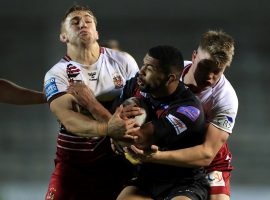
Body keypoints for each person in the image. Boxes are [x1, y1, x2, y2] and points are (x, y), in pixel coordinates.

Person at [70, 45, 210, 200]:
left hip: (184, 182)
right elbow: (114, 123)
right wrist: (115, 134)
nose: (141, 71)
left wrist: (91, 104)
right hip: (147, 177)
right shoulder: (135, 86)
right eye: (143, 64)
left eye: (150, 68)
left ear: (169, 78)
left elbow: (136, 139)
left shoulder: (188, 109)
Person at [128, 30, 238, 200]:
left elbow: (207, 153)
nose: (209, 76)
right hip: (163, 149)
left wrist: (154, 156)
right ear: (194, 56)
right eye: (205, 67)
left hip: (205, 158)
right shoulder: (168, 72)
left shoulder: (226, 99)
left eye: (217, 71)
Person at [43, 4, 139, 200]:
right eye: (75, 22)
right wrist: (108, 129)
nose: (82, 24)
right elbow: (69, 120)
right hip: (75, 165)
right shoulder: (57, 74)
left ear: (96, 33)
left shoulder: (124, 62)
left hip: (117, 163)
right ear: (64, 36)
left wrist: (94, 106)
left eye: (88, 20)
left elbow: (139, 108)